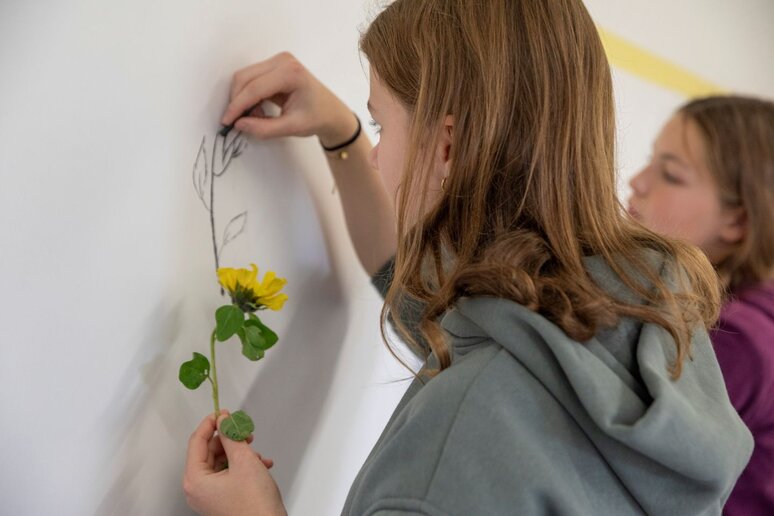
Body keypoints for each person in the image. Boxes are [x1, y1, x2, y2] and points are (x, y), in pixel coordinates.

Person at [183, 1, 753, 514]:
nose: (379, 157)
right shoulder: (636, 318)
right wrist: (344, 135)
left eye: (385, 125)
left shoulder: (455, 448)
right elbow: (418, 289)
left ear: (449, 144)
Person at [628, 95, 774, 515]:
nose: (637, 181)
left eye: (671, 174)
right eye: (650, 160)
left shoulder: (737, 339)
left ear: (738, 221)